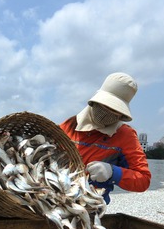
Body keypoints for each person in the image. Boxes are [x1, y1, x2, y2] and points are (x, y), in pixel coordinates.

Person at [60, 72, 151, 203]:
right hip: (54, 198)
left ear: (121, 114)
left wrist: (113, 173)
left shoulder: (125, 136)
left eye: (114, 110)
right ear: (94, 102)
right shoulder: (69, 125)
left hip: (91, 206)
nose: (106, 113)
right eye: (104, 106)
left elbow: (143, 180)